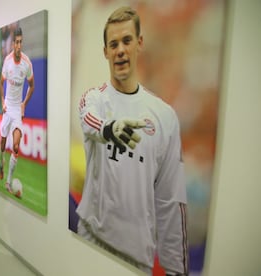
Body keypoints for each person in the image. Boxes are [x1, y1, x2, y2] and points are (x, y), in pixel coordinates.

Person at [76, 6, 188, 275]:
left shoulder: (164, 116)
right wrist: (109, 128)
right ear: (105, 52)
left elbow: (170, 200)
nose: (120, 50)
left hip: (136, 257)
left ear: (139, 43)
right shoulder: (94, 99)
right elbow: (88, 119)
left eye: (127, 41)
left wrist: (175, 269)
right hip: (91, 240)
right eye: (113, 44)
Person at [0, 27, 34, 196]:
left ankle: (8, 182)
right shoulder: (7, 61)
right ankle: (1, 162)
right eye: (16, 42)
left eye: (21, 42)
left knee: (17, 146)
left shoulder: (27, 63)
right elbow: (0, 83)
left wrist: (24, 104)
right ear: (12, 44)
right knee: (3, 143)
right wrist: (2, 102)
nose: (19, 45)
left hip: (17, 108)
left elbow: (32, 86)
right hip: (7, 108)